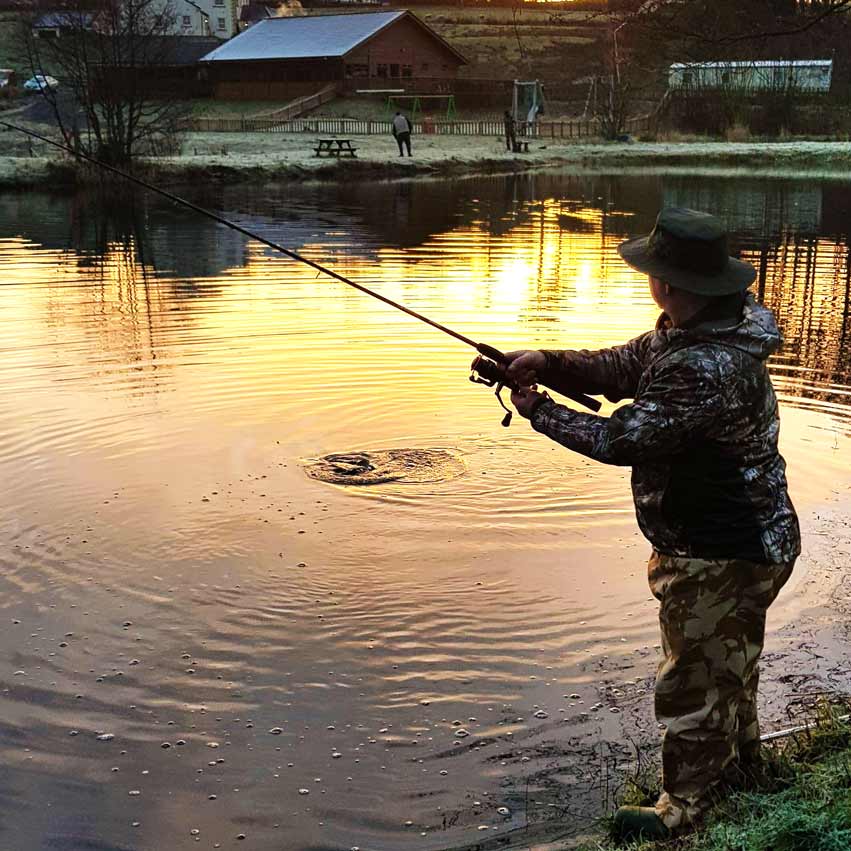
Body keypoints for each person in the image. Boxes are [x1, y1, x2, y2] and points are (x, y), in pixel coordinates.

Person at [504, 207, 801, 841]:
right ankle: (746, 769)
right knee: (730, 663)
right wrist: (546, 360)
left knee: (692, 680)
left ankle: (684, 809)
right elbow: (623, 365)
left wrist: (540, 413)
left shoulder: (703, 366)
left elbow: (622, 438)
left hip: (721, 550)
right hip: (751, 539)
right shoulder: (706, 328)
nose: (648, 282)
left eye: (652, 272)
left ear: (668, 283)